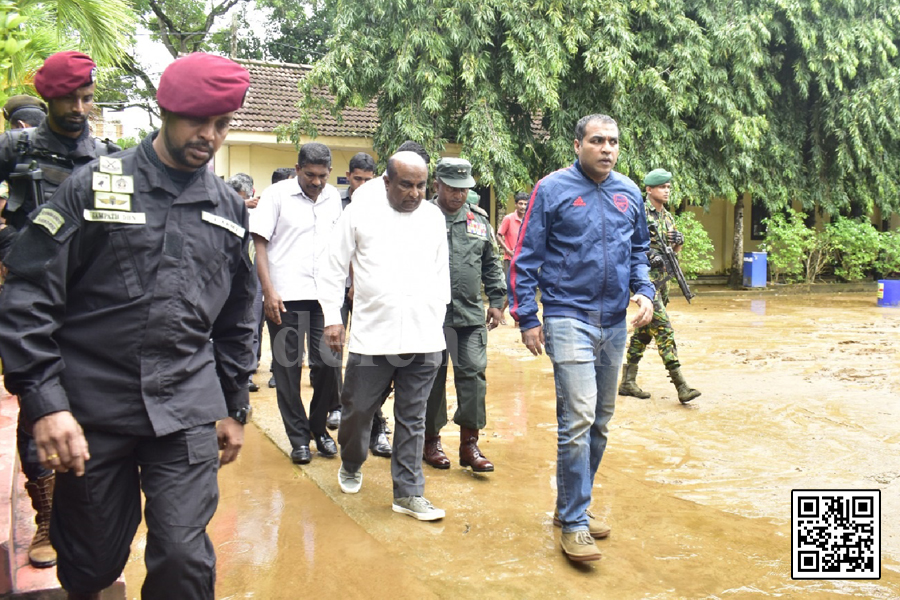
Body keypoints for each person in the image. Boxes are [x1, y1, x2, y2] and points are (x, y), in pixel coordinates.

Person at [0, 52, 254, 598]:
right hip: (93, 410)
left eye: (221, 124)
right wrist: (47, 403)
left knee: (184, 556)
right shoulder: (94, 187)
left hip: (185, 407)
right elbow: (29, 294)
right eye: (195, 120)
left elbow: (238, 315)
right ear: (165, 110)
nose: (208, 136)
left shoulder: (229, 208)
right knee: (90, 564)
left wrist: (235, 405)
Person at [509, 113, 654, 562]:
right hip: (568, 315)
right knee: (578, 418)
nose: (606, 148)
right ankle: (574, 523)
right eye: (597, 140)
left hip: (614, 320)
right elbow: (526, 255)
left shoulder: (629, 192)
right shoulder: (552, 189)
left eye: (612, 141)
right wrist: (527, 316)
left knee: (600, 422)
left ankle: (573, 505)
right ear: (577, 145)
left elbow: (639, 251)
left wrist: (644, 289)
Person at [0, 52, 119, 571]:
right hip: (33, 296)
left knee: (91, 405)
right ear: (47, 99)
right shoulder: (17, 147)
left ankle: (86, 510)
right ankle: (46, 516)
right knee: (37, 402)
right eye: (67, 98)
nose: (78, 108)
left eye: (86, 98)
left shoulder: (109, 156)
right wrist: (5, 242)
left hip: (91, 302)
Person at [318, 151, 449, 521]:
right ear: (387, 182)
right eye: (406, 185)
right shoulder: (360, 212)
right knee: (358, 410)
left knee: (413, 417)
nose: (415, 193)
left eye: (422, 185)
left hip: (424, 337)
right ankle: (352, 460)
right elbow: (332, 266)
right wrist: (332, 317)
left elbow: (442, 273)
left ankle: (408, 493)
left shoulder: (433, 218)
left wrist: (438, 317)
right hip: (373, 337)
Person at [251, 143, 342, 465]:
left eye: (322, 176)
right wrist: (268, 291)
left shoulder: (333, 199)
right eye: (310, 175)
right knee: (288, 371)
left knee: (329, 365)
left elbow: (339, 246)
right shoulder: (277, 195)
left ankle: (318, 429)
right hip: (285, 297)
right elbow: (259, 243)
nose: (317, 183)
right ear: (297, 169)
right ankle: (298, 438)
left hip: (324, 297)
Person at [422, 158, 505, 472]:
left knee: (473, 377)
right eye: (452, 188)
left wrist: (497, 300)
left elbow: (491, 264)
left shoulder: (479, 221)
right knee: (432, 380)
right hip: (430, 316)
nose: (458, 194)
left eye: (464, 189)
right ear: (438, 185)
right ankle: (430, 441)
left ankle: (469, 444)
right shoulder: (422, 217)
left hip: (469, 316)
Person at [619, 169, 701, 404]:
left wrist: (678, 244)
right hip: (646, 284)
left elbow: (673, 255)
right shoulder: (640, 213)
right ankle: (681, 385)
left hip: (662, 283)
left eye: (668, 187)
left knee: (644, 332)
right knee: (664, 330)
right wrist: (648, 255)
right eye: (662, 187)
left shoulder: (667, 217)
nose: (667, 191)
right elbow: (628, 246)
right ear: (649, 189)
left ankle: (627, 381)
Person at [326, 151, 376, 431]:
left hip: (364, 288)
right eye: (358, 179)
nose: (362, 185)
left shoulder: (377, 205)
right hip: (340, 285)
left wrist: (359, 283)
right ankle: (336, 406)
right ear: (348, 176)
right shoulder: (337, 203)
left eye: (368, 180)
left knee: (369, 348)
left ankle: (370, 412)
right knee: (334, 348)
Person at [497, 192, 529, 277]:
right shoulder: (508, 218)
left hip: (525, 259)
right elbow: (498, 235)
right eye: (520, 203)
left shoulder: (529, 220)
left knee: (524, 286)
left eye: (525, 204)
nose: (523, 206)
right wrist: (508, 250)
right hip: (510, 259)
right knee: (510, 286)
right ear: (515, 204)